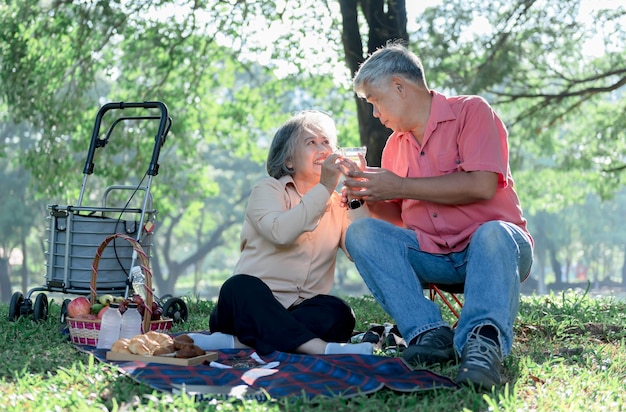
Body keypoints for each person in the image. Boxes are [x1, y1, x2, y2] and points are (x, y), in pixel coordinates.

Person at [342, 41, 534, 389]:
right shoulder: (395, 146)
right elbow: (400, 214)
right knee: (360, 233)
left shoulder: (472, 112)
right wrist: (365, 197)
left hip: (495, 251)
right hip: (432, 255)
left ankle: (482, 345)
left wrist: (399, 185)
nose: (374, 113)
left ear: (399, 86)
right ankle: (429, 333)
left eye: (374, 100)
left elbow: (481, 186)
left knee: (492, 233)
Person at [187, 110, 373, 356]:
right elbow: (281, 232)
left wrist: (356, 197)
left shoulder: (338, 203)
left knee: (339, 312)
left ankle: (237, 343)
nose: (323, 148)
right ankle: (320, 348)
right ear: (289, 161)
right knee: (238, 287)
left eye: (327, 142)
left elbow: (363, 250)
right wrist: (326, 186)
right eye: (311, 142)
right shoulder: (268, 189)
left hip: (298, 311)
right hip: (249, 307)